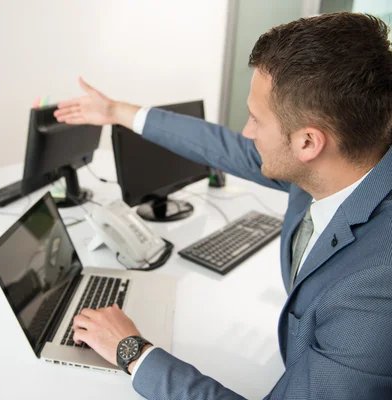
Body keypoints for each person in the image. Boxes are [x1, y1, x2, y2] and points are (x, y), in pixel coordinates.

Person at [55, 12, 392, 399]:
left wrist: (134, 352)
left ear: (308, 143)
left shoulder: (376, 290)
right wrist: (116, 113)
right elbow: (223, 147)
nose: (247, 132)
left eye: (255, 119)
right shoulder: (342, 161)